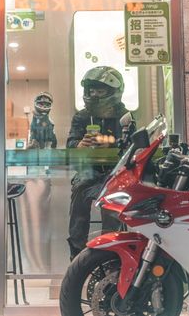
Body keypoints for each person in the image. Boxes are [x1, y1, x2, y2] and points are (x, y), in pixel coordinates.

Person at [66, 66, 132, 260]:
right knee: (79, 190)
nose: (94, 94)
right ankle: (77, 255)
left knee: (113, 203)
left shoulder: (125, 116)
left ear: (113, 91)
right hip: (90, 171)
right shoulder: (82, 116)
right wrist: (80, 144)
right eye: (91, 90)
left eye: (100, 90)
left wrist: (104, 142)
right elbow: (70, 146)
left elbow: (128, 146)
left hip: (115, 174)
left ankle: (111, 254)